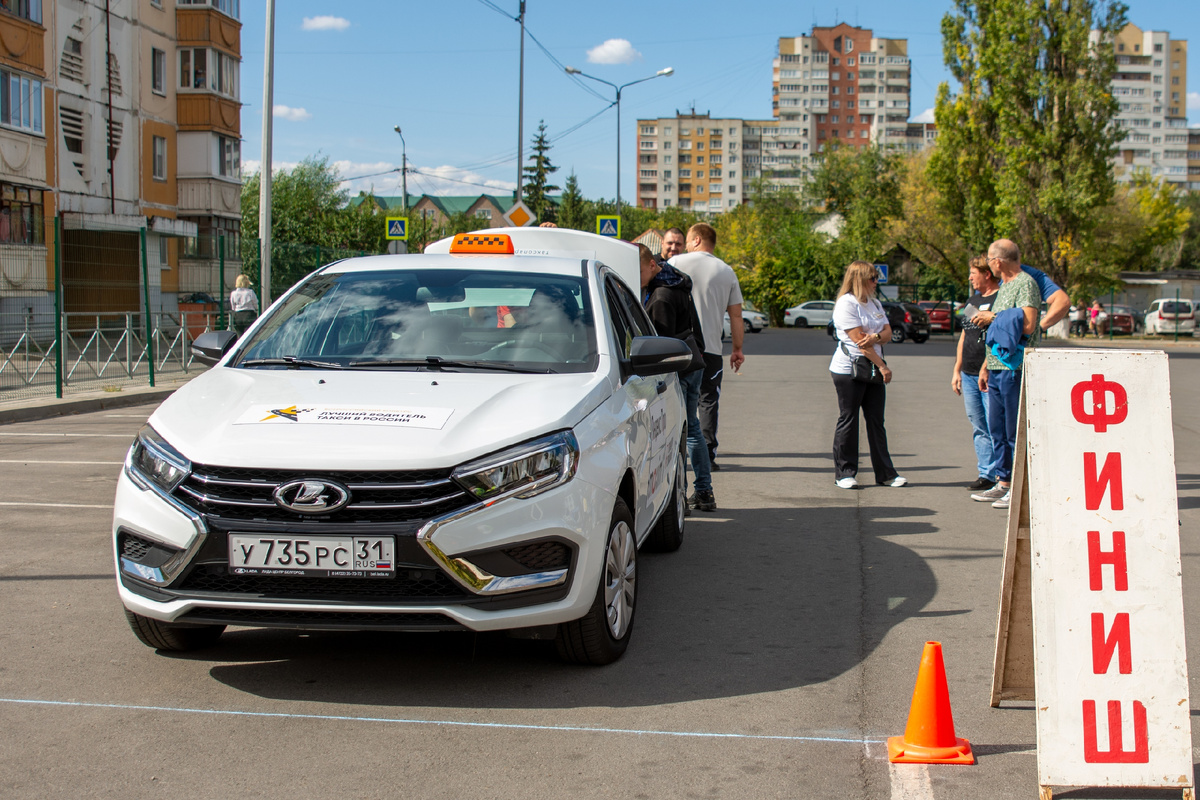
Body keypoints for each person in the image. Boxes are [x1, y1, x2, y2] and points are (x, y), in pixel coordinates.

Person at [637, 244, 711, 512]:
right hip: (693, 361)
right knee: (691, 428)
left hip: (680, 369)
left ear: (653, 266)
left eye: (640, 271)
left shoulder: (660, 297)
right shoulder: (676, 283)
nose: (638, 276)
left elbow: (661, 344)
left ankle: (682, 494)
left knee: (680, 432)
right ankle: (704, 491)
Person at [669, 223, 744, 482]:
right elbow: (736, 315)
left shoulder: (676, 262)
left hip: (678, 346)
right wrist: (737, 349)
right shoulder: (727, 271)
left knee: (676, 400)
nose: (686, 245)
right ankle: (708, 453)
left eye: (688, 240)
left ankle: (675, 453)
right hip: (711, 349)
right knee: (708, 400)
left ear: (697, 239)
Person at [970, 239, 1041, 510]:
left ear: (997, 261)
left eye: (989, 260)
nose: (988, 265)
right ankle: (1003, 482)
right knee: (996, 429)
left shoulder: (1025, 283)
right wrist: (986, 366)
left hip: (1015, 366)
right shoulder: (1006, 287)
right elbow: (999, 329)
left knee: (1013, 430)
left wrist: (993, 318)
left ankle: (1019, 489)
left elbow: (1028, 323)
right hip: (997, 366)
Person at [830, 260, 905, 489]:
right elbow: (859, 341)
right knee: (849, 419)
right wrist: (882, 365)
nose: (876, 282)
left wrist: (874, 337)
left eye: (877, 278)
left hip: (872, 367)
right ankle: (845, 473)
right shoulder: (846, 304)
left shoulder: (874, 303)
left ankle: (886, 473)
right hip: (849, 369)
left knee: (876, 422)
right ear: (859, 279)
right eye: (872, 278)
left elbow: (887, 332)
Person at [951, 256, 1000, 491]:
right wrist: (957, 369)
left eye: (973, 273)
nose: (970, 277)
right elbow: (964, 336)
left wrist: (988, 367)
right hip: (969, 373)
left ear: (986, 274)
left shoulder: (1001, 298)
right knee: (979, 425)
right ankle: (986, 474)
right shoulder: (973, 301)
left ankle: (1003, 476)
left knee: (995, 425)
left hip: (990, 373)